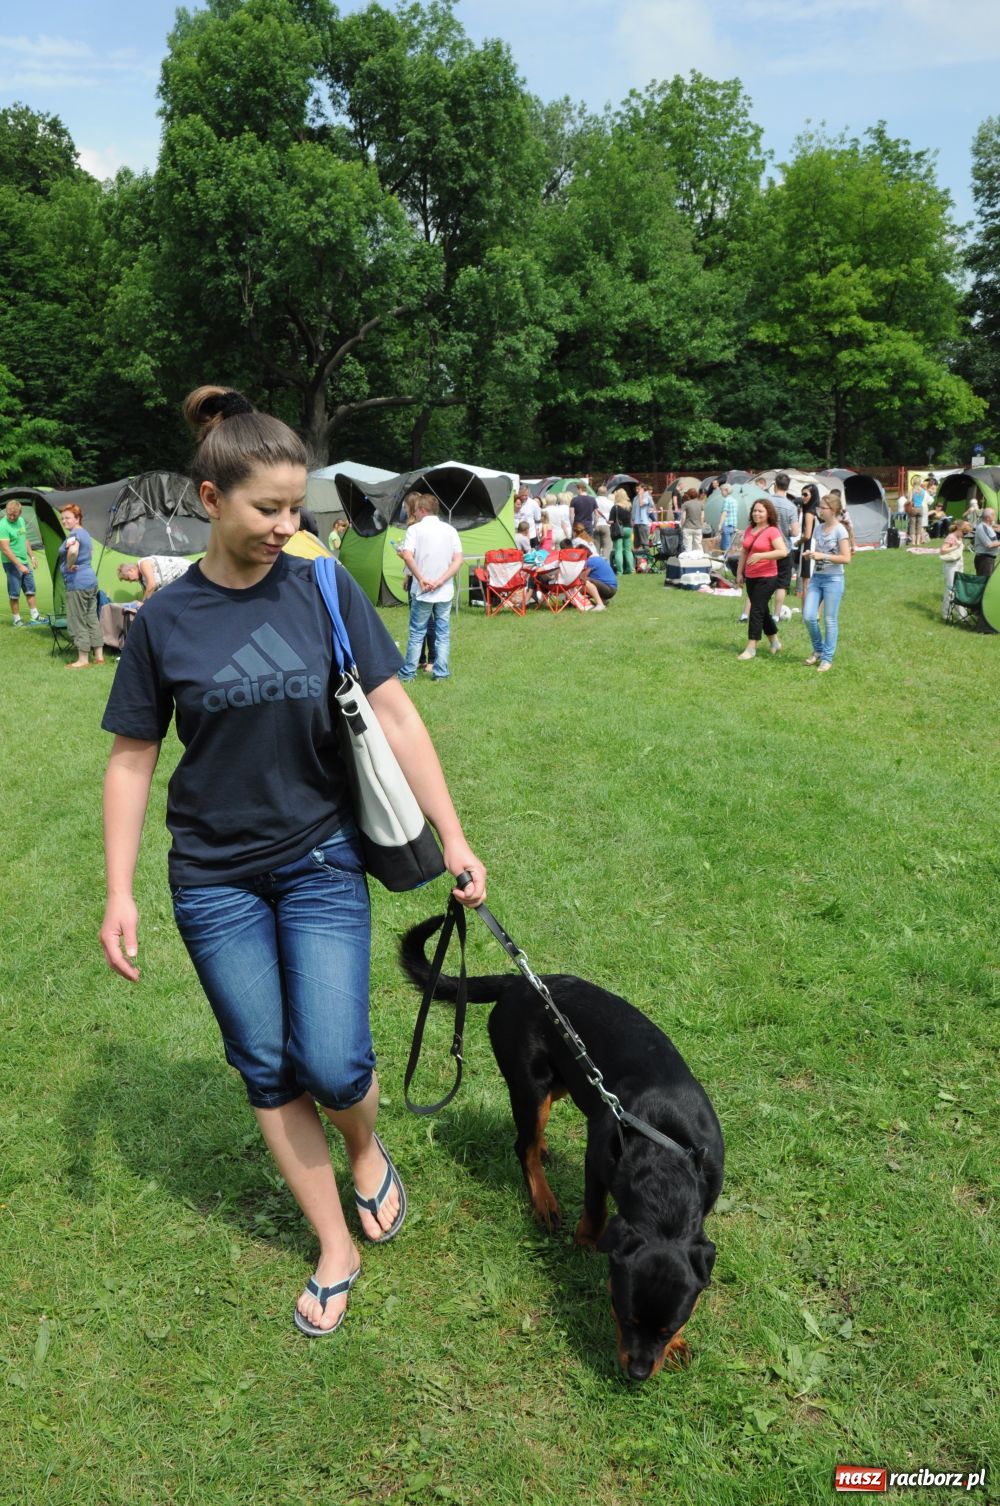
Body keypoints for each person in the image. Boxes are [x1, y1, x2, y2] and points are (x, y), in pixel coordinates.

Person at [99, 385, 486, 1340]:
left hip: (318, 858)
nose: (286, 526)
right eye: (267, 509)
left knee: (332, 1056)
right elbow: (133, 758)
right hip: (213, 879)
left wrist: (456, 834)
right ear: (209, 500)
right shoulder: (164, 623)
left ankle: (364, 1147)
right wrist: (118, 891)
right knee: (268, 1067)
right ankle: (333, 1245)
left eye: (295, 507)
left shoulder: (321, 586)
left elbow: (395, 713)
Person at [398, 493, 463, 681]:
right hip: (444, 590)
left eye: (416, 510)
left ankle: (408, 672)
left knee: (417, 632)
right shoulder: (450, 530)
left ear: (423, 510)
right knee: (443, 632)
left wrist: (420, 578)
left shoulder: (415, 530)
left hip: (422, 590)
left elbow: (408, 555)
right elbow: (458, 559)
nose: (414, 514)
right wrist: (441, 580)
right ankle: (440, 672)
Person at [801, 492, 851, 671]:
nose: (819, 511)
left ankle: (827, 658)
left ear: (834, 510)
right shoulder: (818, 528)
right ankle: (819, 650)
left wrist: (823, 556)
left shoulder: (840, 530)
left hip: (834, 580)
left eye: (823, 508)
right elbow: (817, 551)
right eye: (819, 507)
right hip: (817, 578)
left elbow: (846, 558)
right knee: (808, 616)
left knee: (830, 620)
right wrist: (809, 555)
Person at [734, 498, 788, 660]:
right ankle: (775, 642)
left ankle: (751, 647)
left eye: (760, 511)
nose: (756, 513)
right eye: (755, 510)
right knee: (762, 610)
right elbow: (744, 552)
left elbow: (782, 552)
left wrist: (761, 555)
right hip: (751, 576)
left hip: (767, 577)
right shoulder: (750, 528)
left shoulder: (772, 531)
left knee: (756, 610)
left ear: (768, 513)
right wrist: (739, 573)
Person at [58, 502, 104, 669]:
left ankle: (83, 659)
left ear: (77, 518)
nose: (64, 521)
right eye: (62, 519)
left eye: (68, 518)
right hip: (91, 580)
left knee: (77, 619)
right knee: (92, 617)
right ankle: (99, 656)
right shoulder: (85, 533)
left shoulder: (75, 534)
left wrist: (69, 565)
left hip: (77, 583)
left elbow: (73, 551)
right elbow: (89, 552)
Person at [1, 498, 47, 626]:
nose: (11, 517)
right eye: (9, 514)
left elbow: (25, 539)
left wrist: (32, 556)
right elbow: (5, 549)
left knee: (30, 589)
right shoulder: (3, 525)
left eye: (14, 515)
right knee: (14, 593)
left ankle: (35, 617)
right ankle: (17, 620)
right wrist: (19, 565)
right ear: (6, 511)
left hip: (24, 562)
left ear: (20, 513)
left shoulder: (21, 521)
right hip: (11, 564)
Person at [767, 473, 800, 620]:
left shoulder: (766, 502)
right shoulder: (791, 507)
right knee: (781, 584)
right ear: (788, 487)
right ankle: (776, 614)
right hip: (784, 549)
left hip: (767, 548)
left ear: (774, 484)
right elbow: (795, 531)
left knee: (764, 582)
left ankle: (759, 611)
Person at [116, 556, 193, 602]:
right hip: (182, 582)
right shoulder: (142, 580)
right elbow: (149, 595)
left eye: (128, 578)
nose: (130, 582)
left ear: (131, 570)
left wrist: (142, 604)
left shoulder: (143, 564)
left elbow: (152, 585)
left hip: (187, 571)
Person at [939, 520, 971, 621]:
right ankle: (946, 614)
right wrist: (955, 547)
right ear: (959, 529)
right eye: (964, 532)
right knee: (950, 590)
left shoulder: (959, 537)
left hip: (959, 564)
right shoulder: (951, 537)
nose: (965, 535)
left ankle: (962, 615)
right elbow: (942, 550)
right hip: (951, 566)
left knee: (959, 589)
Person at [797, 483, 820, 595]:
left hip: (808, 546)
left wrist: (798, 542)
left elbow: (807, 535)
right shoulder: (817, 509)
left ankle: (807, 610)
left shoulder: (810, 512)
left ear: (813, 495)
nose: (803, 497)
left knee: (807, 581)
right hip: (816, 546)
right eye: (802, 494)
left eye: (805, 494)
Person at [609, 488, 634, 575]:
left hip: (619, 530)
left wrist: (608, 522)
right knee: (628, 550)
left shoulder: (615, 507)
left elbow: (611, 521)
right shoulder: (629, 506)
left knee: (618, 550)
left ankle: (620, 571)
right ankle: (631, 569)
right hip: (628, 529)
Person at [973, 507, 999, 578]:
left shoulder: (988, 526)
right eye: (993, 515)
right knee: (984, 582)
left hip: (988, 559)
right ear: (988, 518)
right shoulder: (982, 527)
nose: (995, 517)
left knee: (987, 582)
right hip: (984, 560)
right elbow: (989, 545)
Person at [679, 488, 706, 554]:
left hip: (688, 527)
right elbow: (702, 517)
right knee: (698, 546)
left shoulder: (685, 504)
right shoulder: (701, 504)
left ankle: (689, 562)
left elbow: (683, 517)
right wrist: (701, 525)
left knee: (688, 547)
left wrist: (681, 526)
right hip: (698, 528)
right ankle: (700, 561)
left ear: (688, 495)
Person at [592, 486, 613, 560]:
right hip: (606, 525)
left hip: (596, 524)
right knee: (607, 547)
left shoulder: (594, 500)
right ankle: (606, 564)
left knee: (596, 547)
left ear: (598, 492)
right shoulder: (610, 502)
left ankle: (596, 563)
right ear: (606, 492)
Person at [717, 484, 738, 555]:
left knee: (725, 547)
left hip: (726, 525)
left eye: (722, 490)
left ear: (726, 490)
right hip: (733, 526)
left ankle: (726, 563)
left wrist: (720, 525)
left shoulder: (726, 500)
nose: (721, 492)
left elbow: (724, 513)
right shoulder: (734, 500)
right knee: (729, 546)